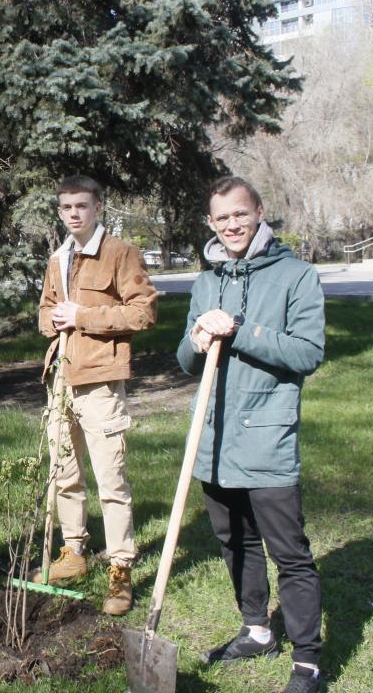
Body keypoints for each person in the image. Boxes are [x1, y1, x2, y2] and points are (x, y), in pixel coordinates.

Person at [176, 176, 326, 693]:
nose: (232, 225)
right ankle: (257, 629)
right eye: (222, 218)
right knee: (233, 539)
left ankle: (307, 661)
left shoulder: (296, 276)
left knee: (290, 552)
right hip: (214, 437)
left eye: (240, 214)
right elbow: (184, 361)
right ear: (210, 224)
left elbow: (308, 352)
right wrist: (196, 341)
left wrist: (241, 330)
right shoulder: (205, 281)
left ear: (259, 212)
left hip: (266, 435)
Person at [33, 175, 158, 615]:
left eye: (82, 206)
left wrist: (82, 316)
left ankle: (120, 567)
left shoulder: (120, 253)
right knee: (64, 473)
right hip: (61, 379)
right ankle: (73, 553)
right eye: (66, 207)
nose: (73, 214)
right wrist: (53, 320)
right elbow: (47, 309)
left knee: (111, 481)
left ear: (98, 207)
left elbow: (143, 312)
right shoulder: (58, 258)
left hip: (101, 380)